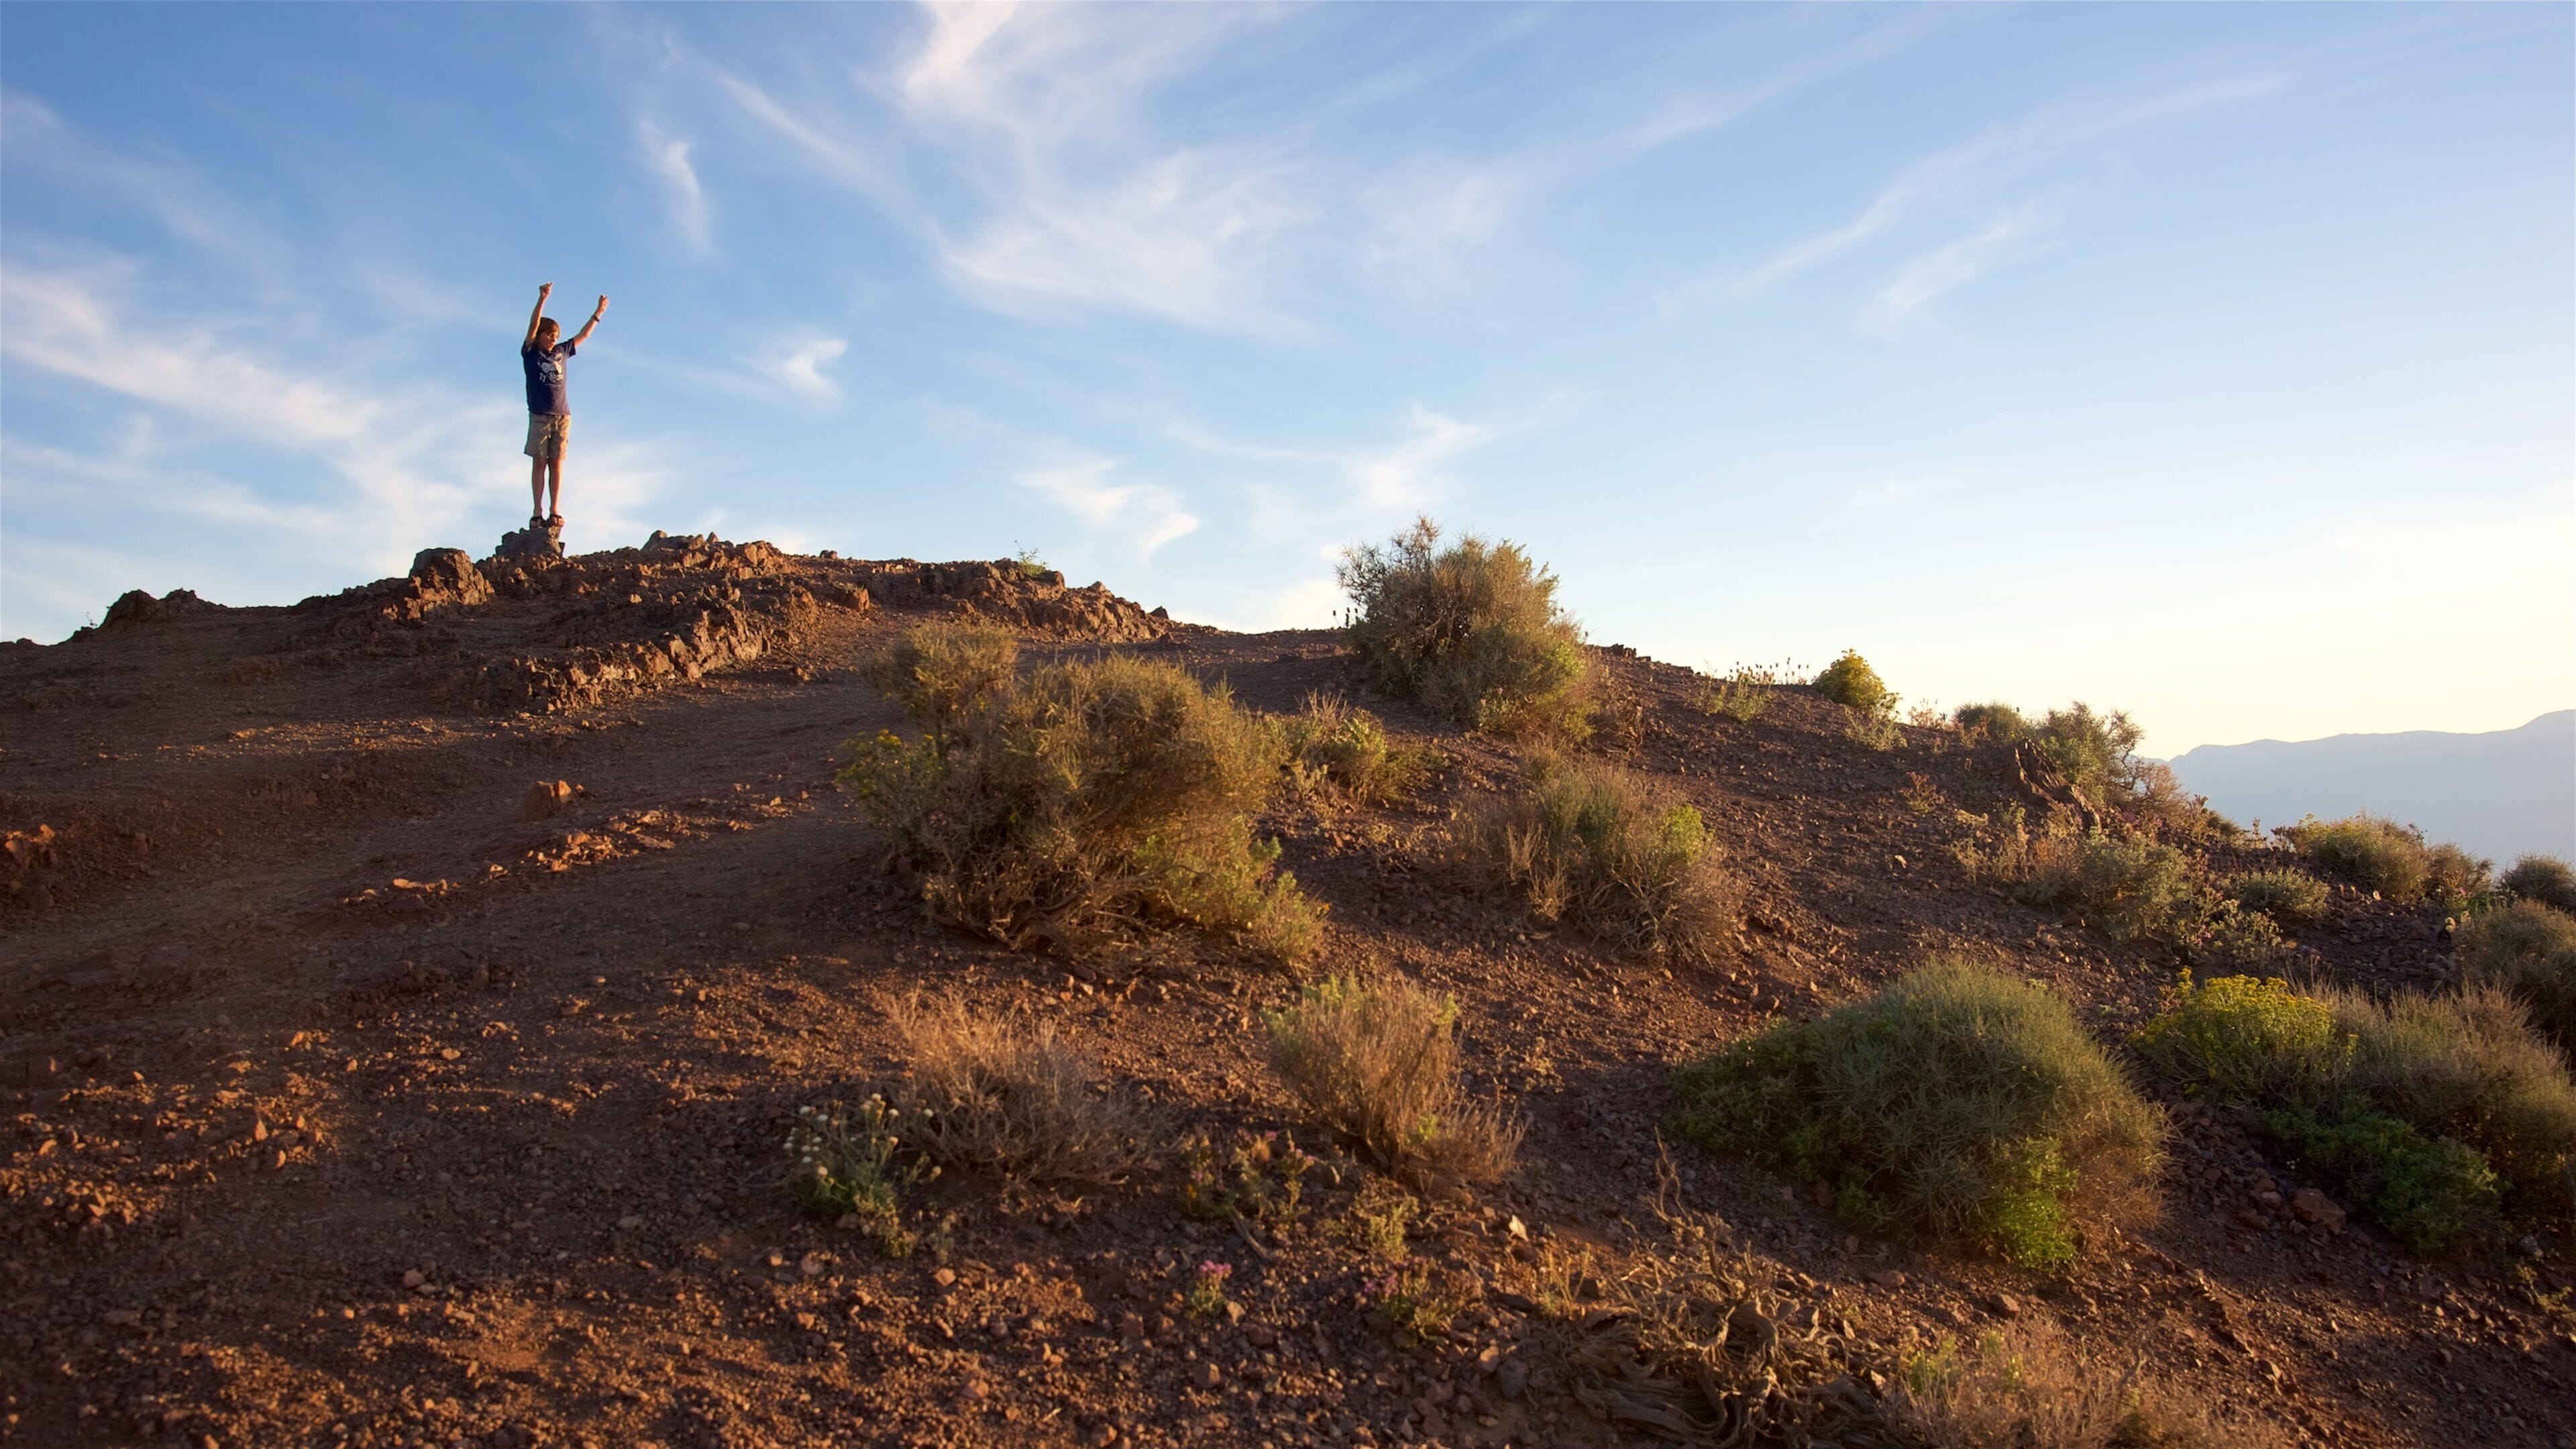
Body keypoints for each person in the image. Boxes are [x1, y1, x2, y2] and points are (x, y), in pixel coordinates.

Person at [520, 282, 607, 529]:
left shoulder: (562, 351)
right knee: (539, 461)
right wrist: (542, 299)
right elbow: (533, 324)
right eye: (549, 335)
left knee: (557, 462)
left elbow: (584, 335)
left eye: (555, 336)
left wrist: (598, 313)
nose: (552, 339)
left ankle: (554, 509)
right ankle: (537, 512)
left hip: (562, 415)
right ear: (540, 335)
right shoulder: (531, 352)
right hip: (539, 415)